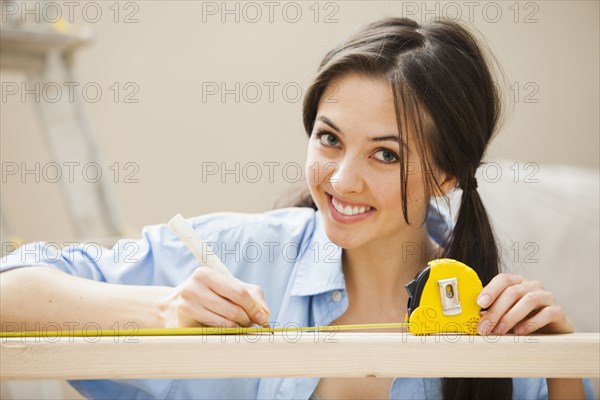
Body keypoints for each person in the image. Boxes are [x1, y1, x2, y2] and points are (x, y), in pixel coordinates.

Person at [0, 17, 595, 400]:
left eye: (385, 155)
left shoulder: (492, 323)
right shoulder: (238, 258)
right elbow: (11, 293)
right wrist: (162, 308)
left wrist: (560, 362)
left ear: (447, 174)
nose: (341, 179)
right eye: (329, 138)